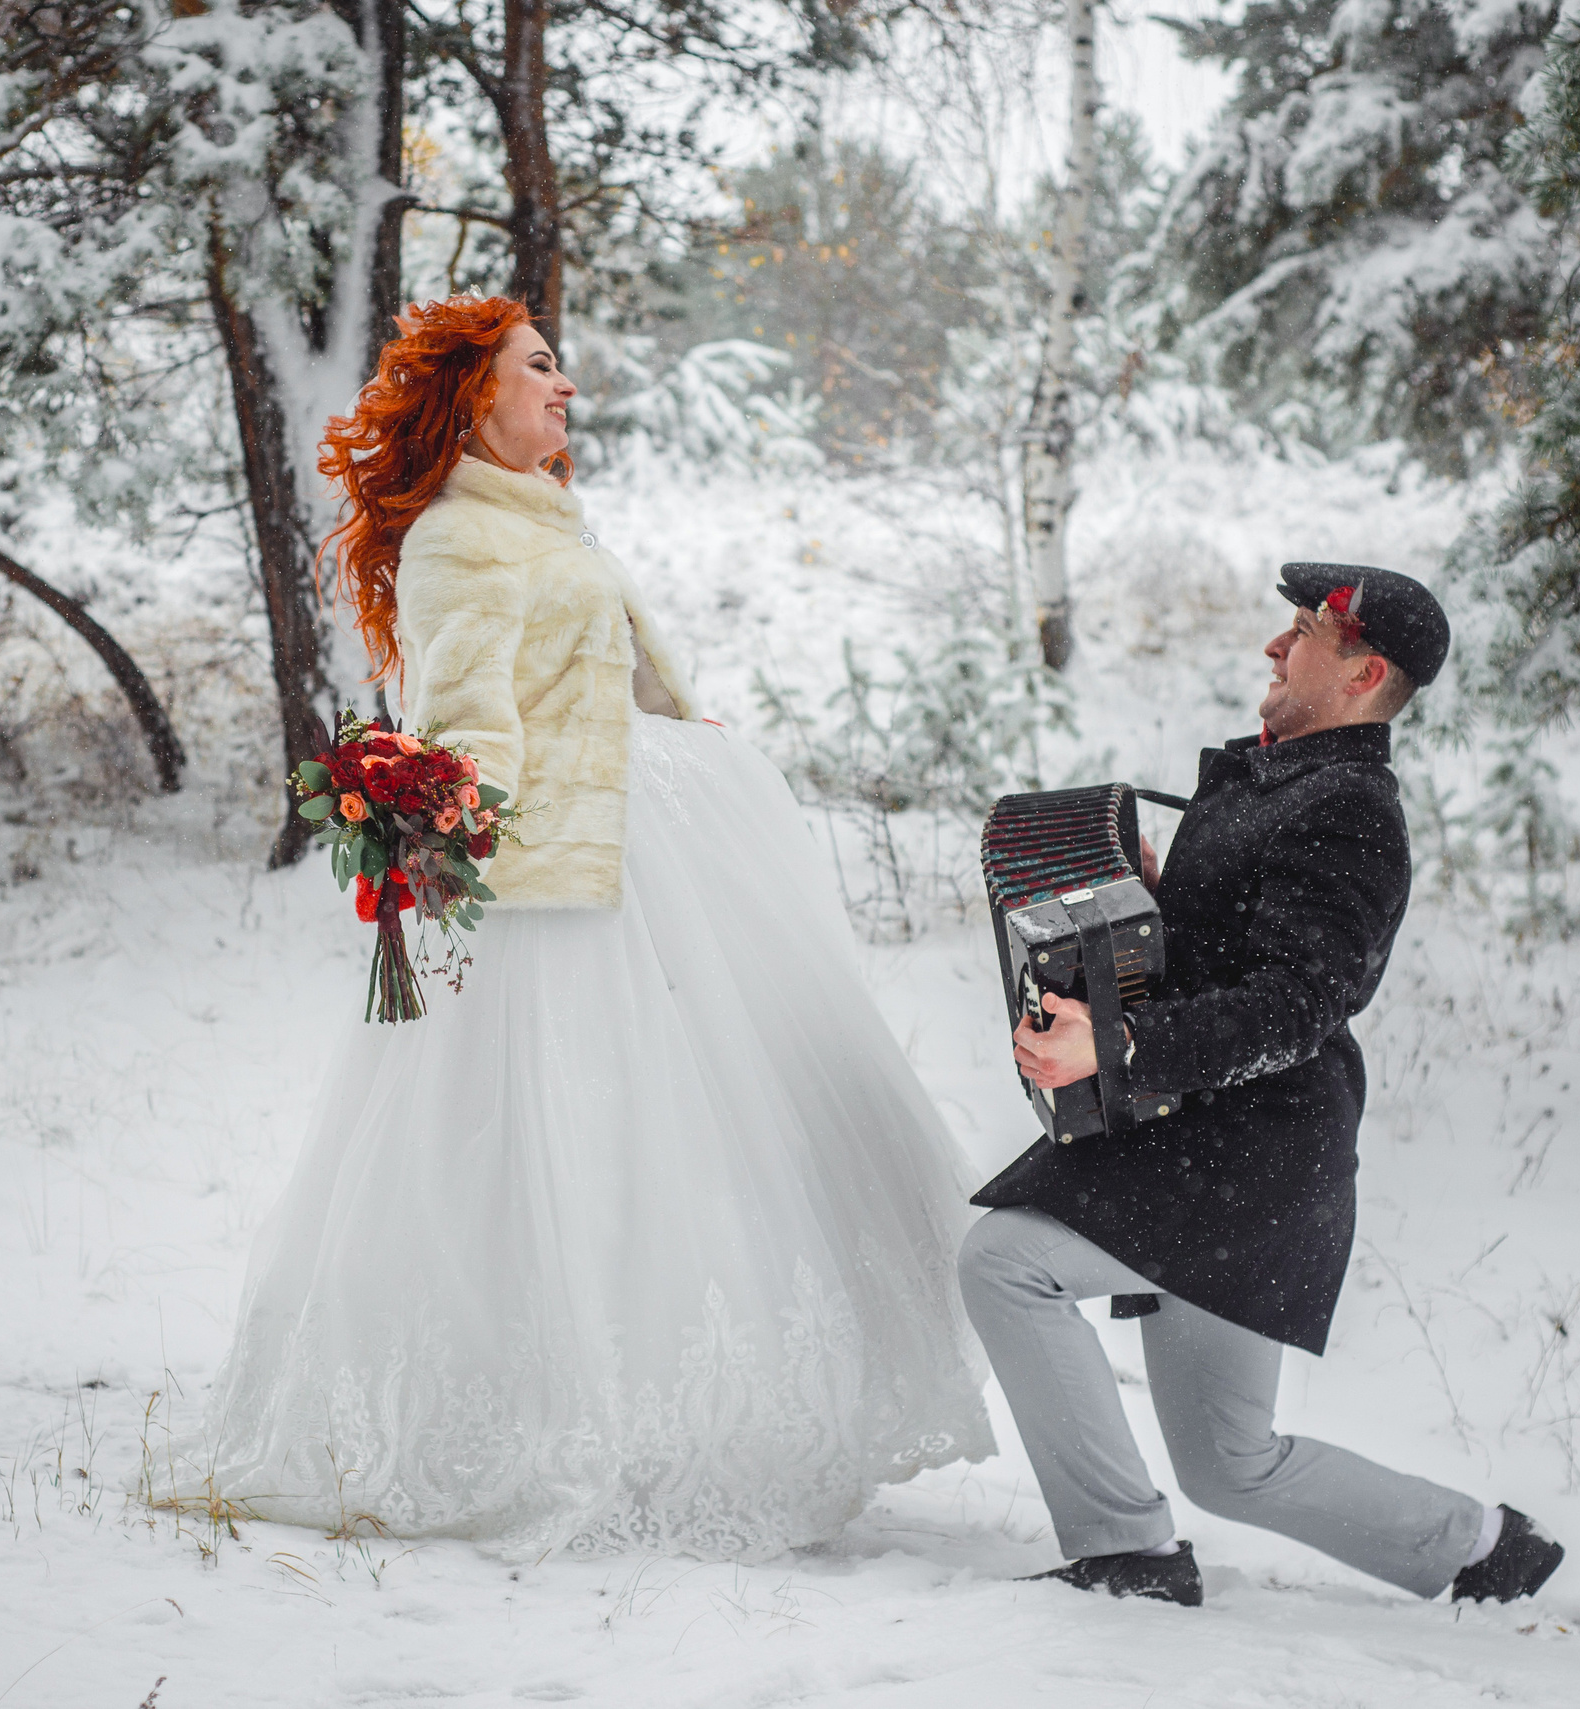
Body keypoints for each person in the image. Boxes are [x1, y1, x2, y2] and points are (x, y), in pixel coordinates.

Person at [200, 297, 993, 1562]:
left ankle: (681, 1417)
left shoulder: (536, 515)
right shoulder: (461, 536)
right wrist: (447, 816)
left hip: (643, 848)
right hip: (559, 879)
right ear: (474, 399)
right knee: (566, 1143)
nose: (567, 389)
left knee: (685, 1136)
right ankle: (555, 1426)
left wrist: (684, 733)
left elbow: (594, 673)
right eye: (541, 368)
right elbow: (464, 709)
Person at [959, 565, 1566, 1607]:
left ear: (1364, 670)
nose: (1274, 650)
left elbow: (1295, 1004)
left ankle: (1127, 1554)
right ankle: (1484, 1550)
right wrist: (1155, 907)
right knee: (1231, 1462)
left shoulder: (1350, 811)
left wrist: (1111, 1044)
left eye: (1301, 634)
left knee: (1005, 1261)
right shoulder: (1278, 777)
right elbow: (1244, 955)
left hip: (1251, 1158)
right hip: (1214, 1142)